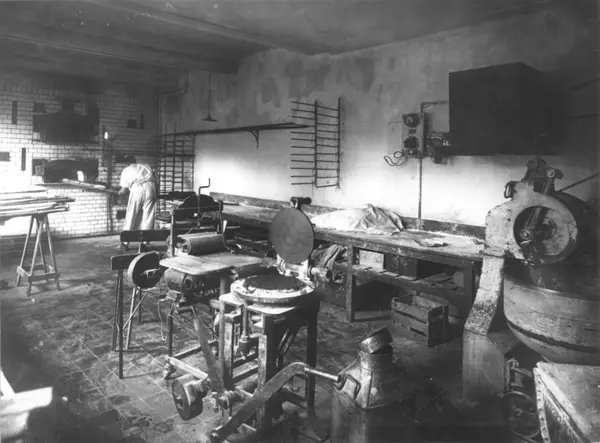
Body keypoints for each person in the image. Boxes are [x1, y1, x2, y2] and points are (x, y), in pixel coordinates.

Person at [118, 156, 157, 251]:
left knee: (131, 215)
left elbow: (124, 190)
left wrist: (119, 193)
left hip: (138, 189)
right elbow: (156, 178)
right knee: (148, 217)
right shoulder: (146, 166)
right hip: (151, 188)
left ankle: (125, 243)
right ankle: (145, 243)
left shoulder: (126, 170)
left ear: (127, 163)